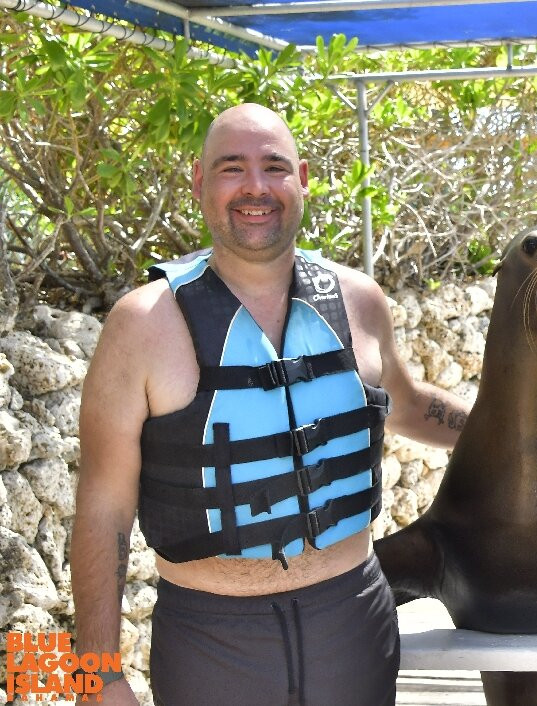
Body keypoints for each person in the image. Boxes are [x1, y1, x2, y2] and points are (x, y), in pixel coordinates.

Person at [71, 103, 471, 705]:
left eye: (275, 167)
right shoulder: (141, 324)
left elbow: (408, 406)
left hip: (354, 627)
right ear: (199, 183)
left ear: (302, 180)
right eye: (232, 168)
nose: (255, 186)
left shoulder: (360, 301)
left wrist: (524, 437)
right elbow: (102, 508)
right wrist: (94, 677)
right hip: (212, 645)